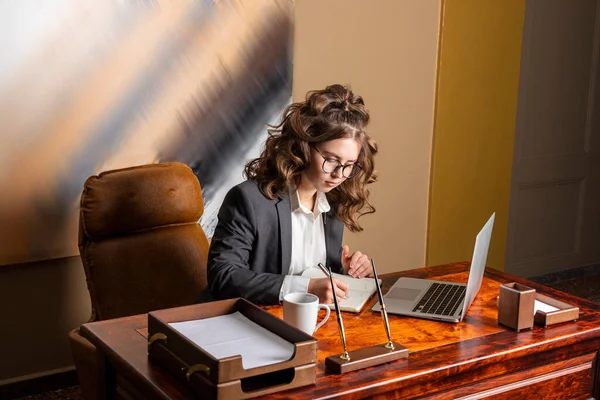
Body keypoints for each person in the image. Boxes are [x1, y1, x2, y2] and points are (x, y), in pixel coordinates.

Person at [204, 84, 378, 305]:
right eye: (331, 159)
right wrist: (305, 288)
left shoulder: (332, 202)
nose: (339, 174)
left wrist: (344, 269)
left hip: (308, 322)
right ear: (303, 147)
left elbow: (315, 275)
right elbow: (223, 277)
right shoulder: (248, 199)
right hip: (251, 321)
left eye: (349, 165)